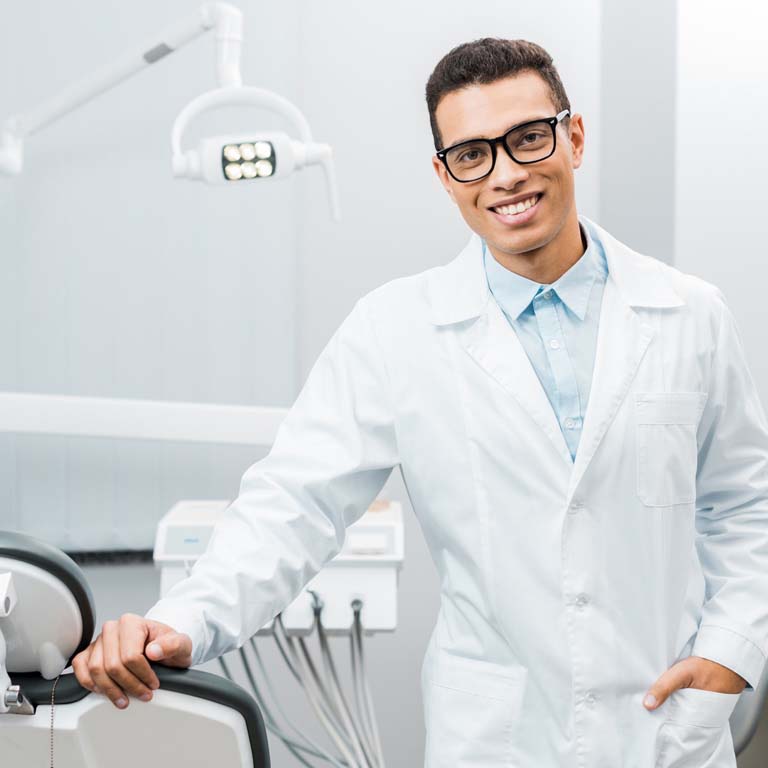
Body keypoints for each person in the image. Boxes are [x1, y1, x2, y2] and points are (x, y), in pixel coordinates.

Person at [72, 38, 768, 766]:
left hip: (662, 731)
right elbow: (292, 506)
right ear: (444, 175)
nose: (505, 175)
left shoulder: (688, 315)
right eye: (472, 154)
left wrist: (730, 654)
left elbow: (744, 505)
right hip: (496, 739)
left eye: (529, 138)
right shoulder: (394, 331)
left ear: (574, 137)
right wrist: (185, 619)